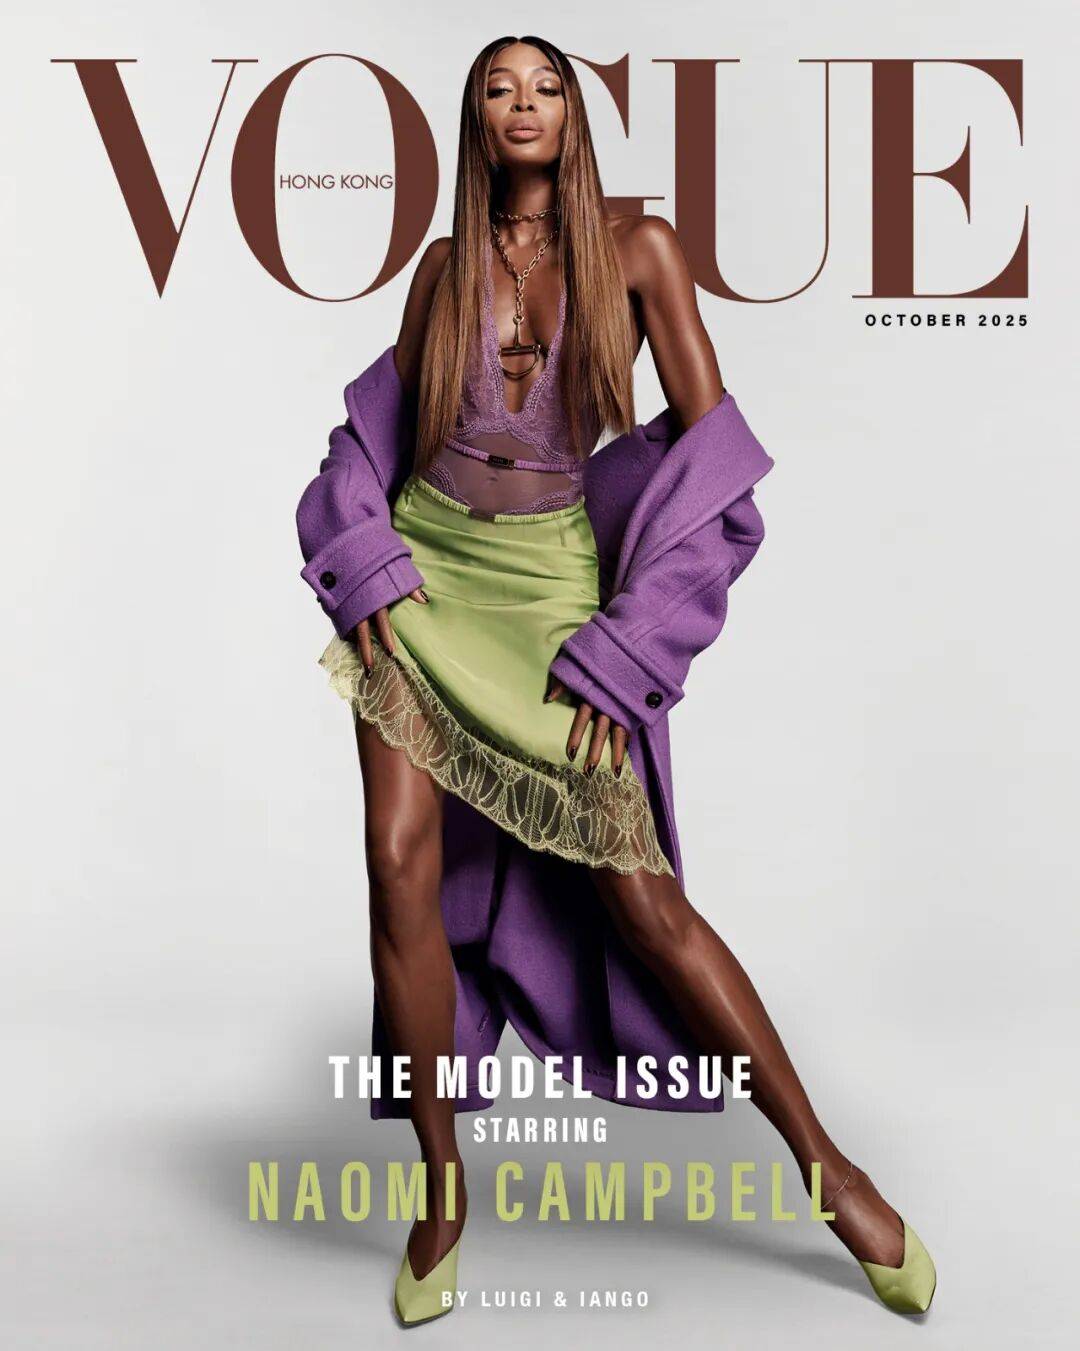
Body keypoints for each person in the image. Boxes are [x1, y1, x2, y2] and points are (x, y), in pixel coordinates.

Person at [296, 34, 936, 1326]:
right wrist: (366, 567)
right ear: (474, 118)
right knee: (396, 857)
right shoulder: (443, 268)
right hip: (429, 580)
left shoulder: (639, 250)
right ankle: (440, 1190)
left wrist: (631, 643)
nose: (523, 104)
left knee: (642, 902)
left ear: (575, 115)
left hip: (549, 589)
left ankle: (832, 1174)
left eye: (545, 86)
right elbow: (374, 439)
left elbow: (715, 457)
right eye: (499, 87)